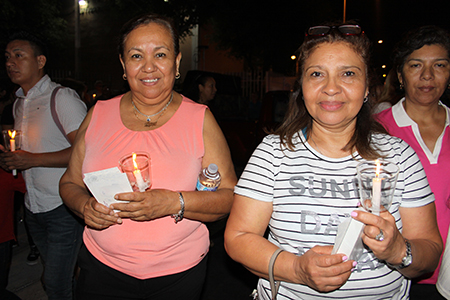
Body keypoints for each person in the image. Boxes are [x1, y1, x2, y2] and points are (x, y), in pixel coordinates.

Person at [224, 22, 443, 299]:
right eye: (317, 74)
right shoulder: (273, 153)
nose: (331, 88)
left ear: (366, 87)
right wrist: (297, 269)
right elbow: (238, 238)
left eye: (348, 74)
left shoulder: (399, 156)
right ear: (301, 86)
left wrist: (398, 250)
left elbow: (431, 252)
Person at [59, 14, 236, 300]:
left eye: (161, 54)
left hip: (178, 274)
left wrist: (172, 202)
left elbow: (229, 197)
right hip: (102, 269)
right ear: (123, 64)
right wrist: (84, 206)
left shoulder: (199, 119)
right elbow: (69, 182)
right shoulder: (98, 114)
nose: (149, 67)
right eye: (136, 55)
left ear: (177, 62)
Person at [0, 31, 87, 300]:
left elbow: (85, 152)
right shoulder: (19, 103)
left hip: (63, 206)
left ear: (40, 61)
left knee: (55, 283)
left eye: (18, 56)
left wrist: (32, 160)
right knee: (56, 278)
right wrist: (12, 158)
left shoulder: (61, 98)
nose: (10, 62)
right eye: (7, 57)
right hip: (33, 207)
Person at [375, 25, 450, 299]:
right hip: (395, 272)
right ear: (400, 75)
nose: (427, 75)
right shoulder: (377, 131)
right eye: (416, 65)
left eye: (439, 65)